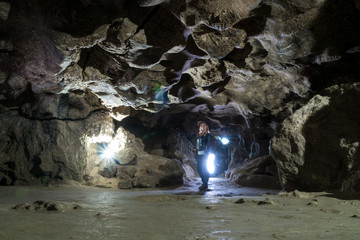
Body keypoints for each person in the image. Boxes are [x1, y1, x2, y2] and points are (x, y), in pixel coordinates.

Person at [194, 121, 213, 191]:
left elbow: (208, 146)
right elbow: (197, 146)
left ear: (207, 127)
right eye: (201, 125)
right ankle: (204, 183)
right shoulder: (198, 136)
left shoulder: (208, 136)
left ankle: (205, 184)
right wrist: (195, 155)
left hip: (205, 155)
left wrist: (206, 155)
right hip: (199, 155)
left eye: (204, 125)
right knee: (199, 169)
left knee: (205, 170)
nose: (203, 126)